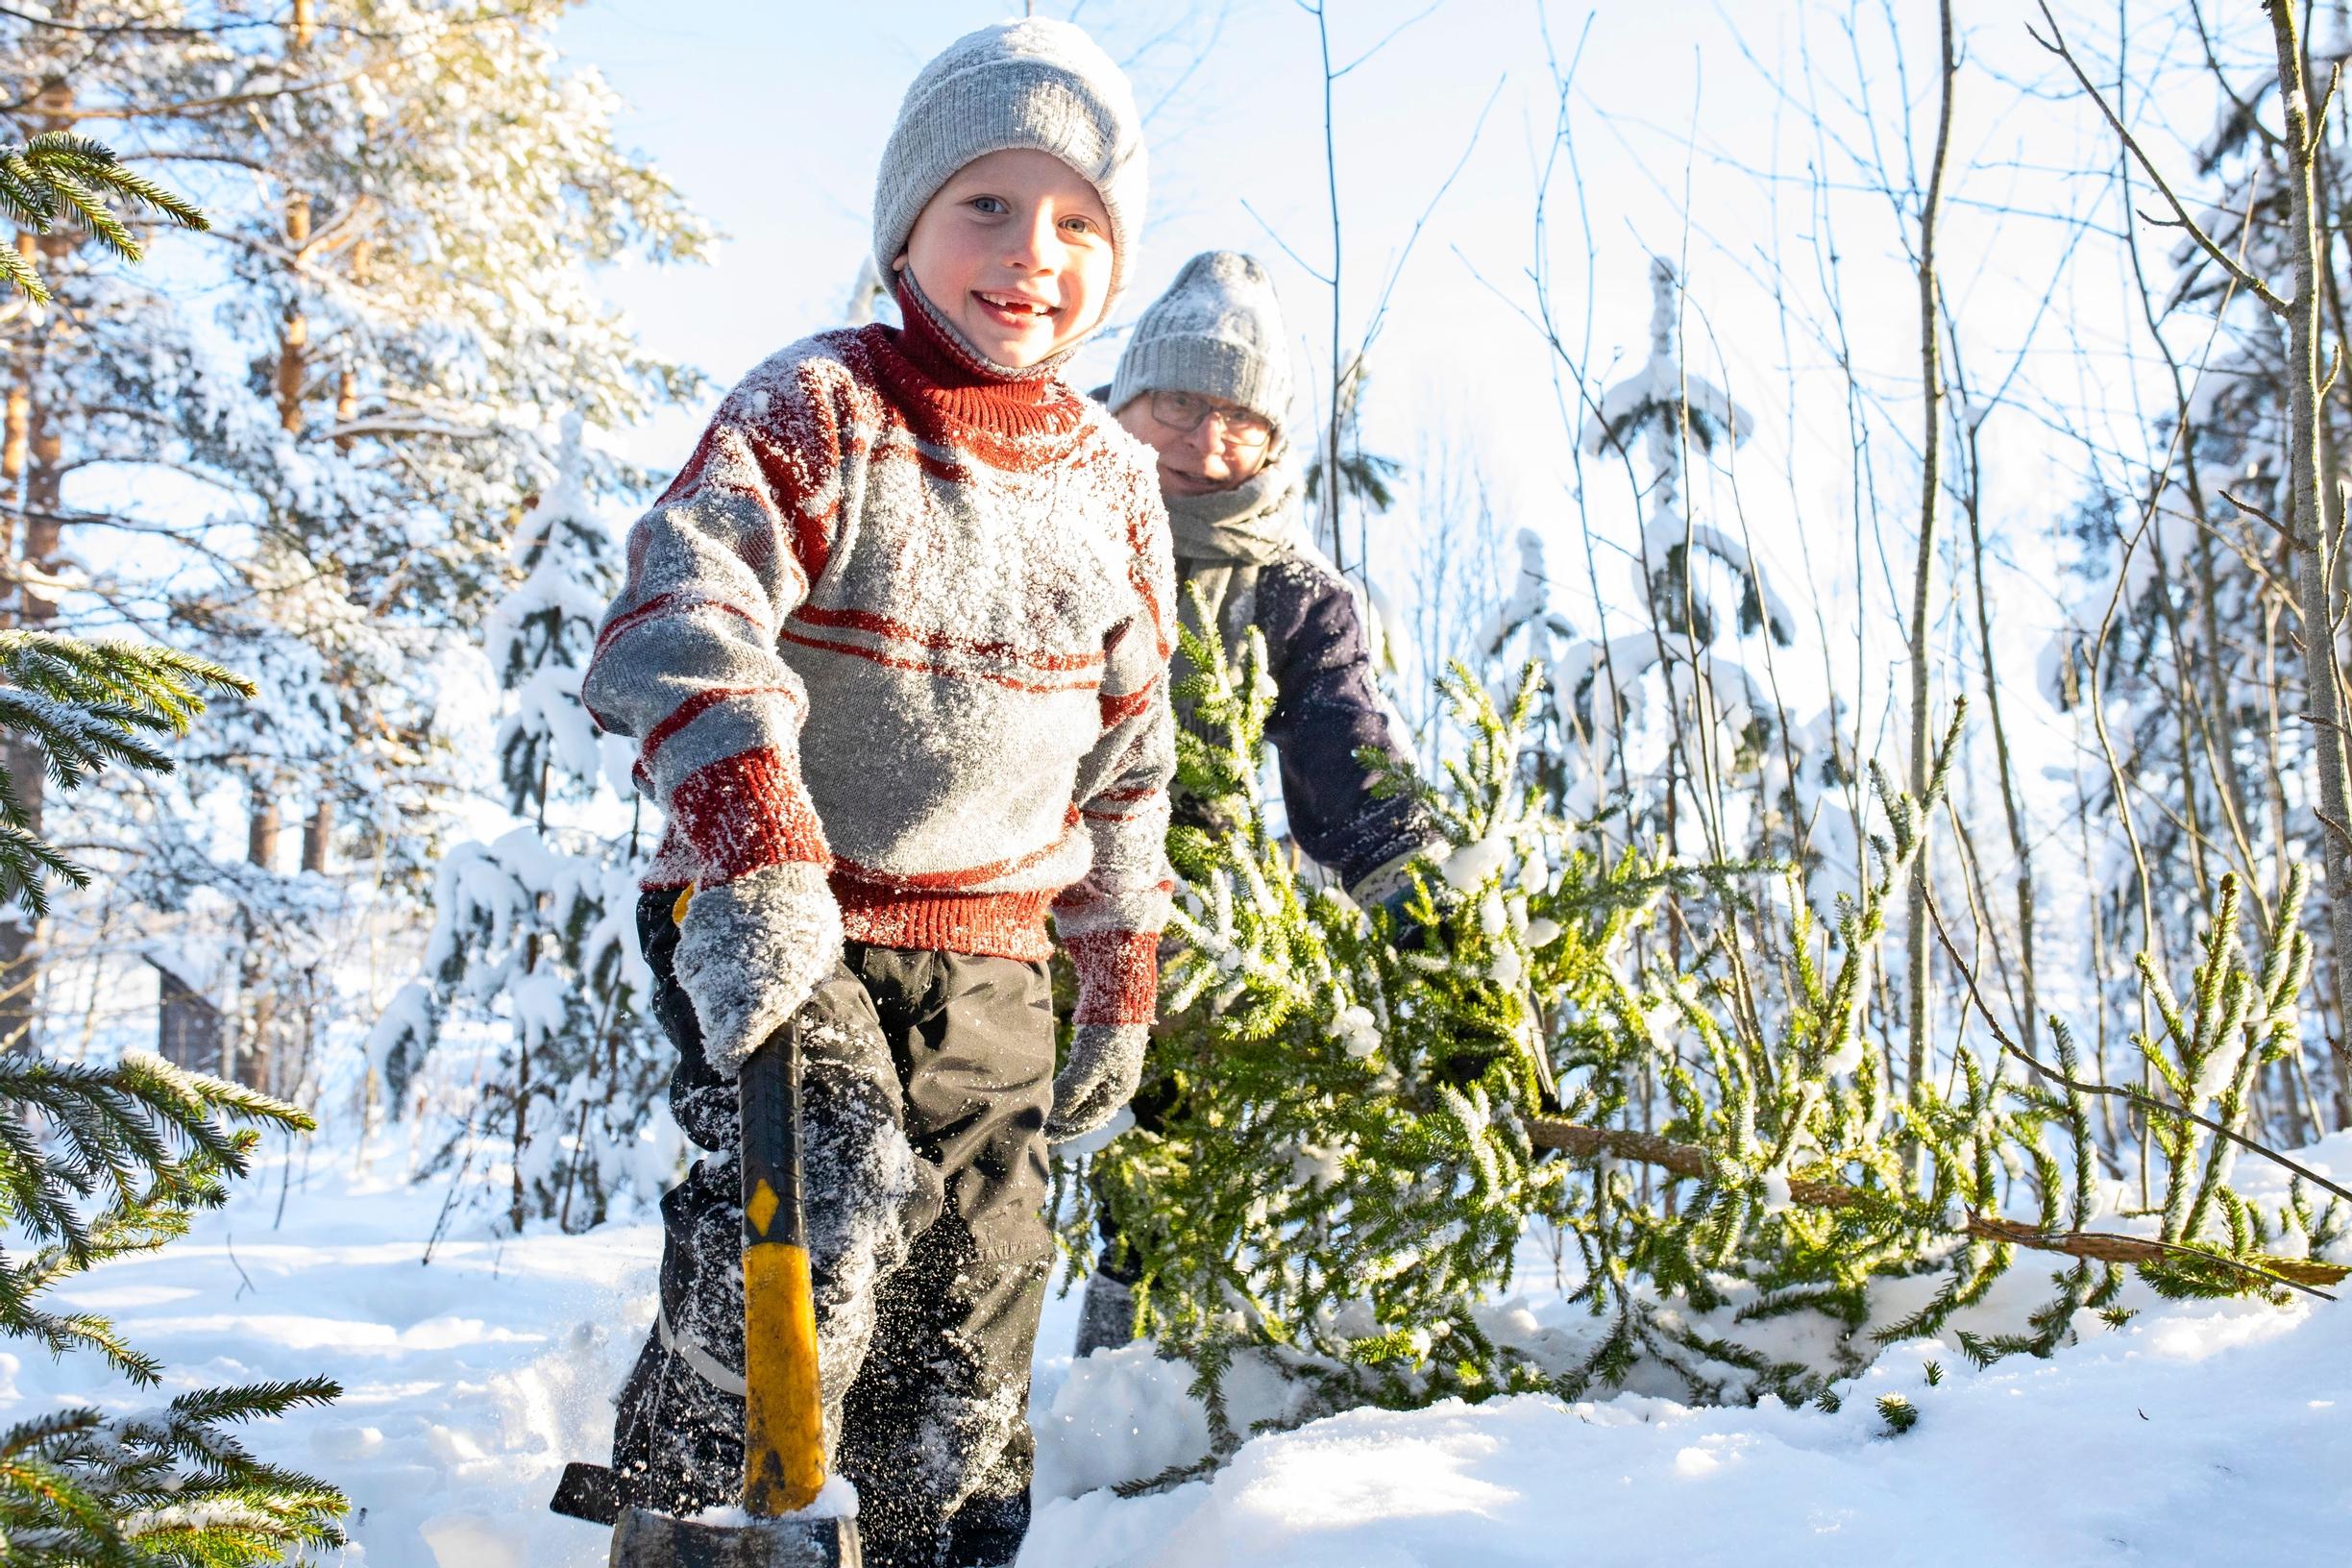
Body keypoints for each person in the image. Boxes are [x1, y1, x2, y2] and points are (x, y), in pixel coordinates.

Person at [577, 21, 1172, 1568]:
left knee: (971, 1295)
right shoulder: (820, 406)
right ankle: (698, 1505)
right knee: (818, 1194)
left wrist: (1115, 971)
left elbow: (1130, 755)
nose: (1030, 253)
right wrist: (757, 852)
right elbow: (678, 618)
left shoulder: (1115, 482)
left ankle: (927, 1545)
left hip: (997, 955)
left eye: (1077, 221)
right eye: (986, 204)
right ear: (906, 221)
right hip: (783, 911)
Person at [1076, 250, 1439, 1357]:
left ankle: (1138, 1383)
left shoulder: (1292, 592)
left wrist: (1429, 911)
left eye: (1242, 419)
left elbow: (1345, 753)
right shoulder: (1042, 515)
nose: (1205, 440)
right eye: (1181, 401)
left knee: (1176, 1161)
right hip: (1007, 889)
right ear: (1127, 395)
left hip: (1188, 921)